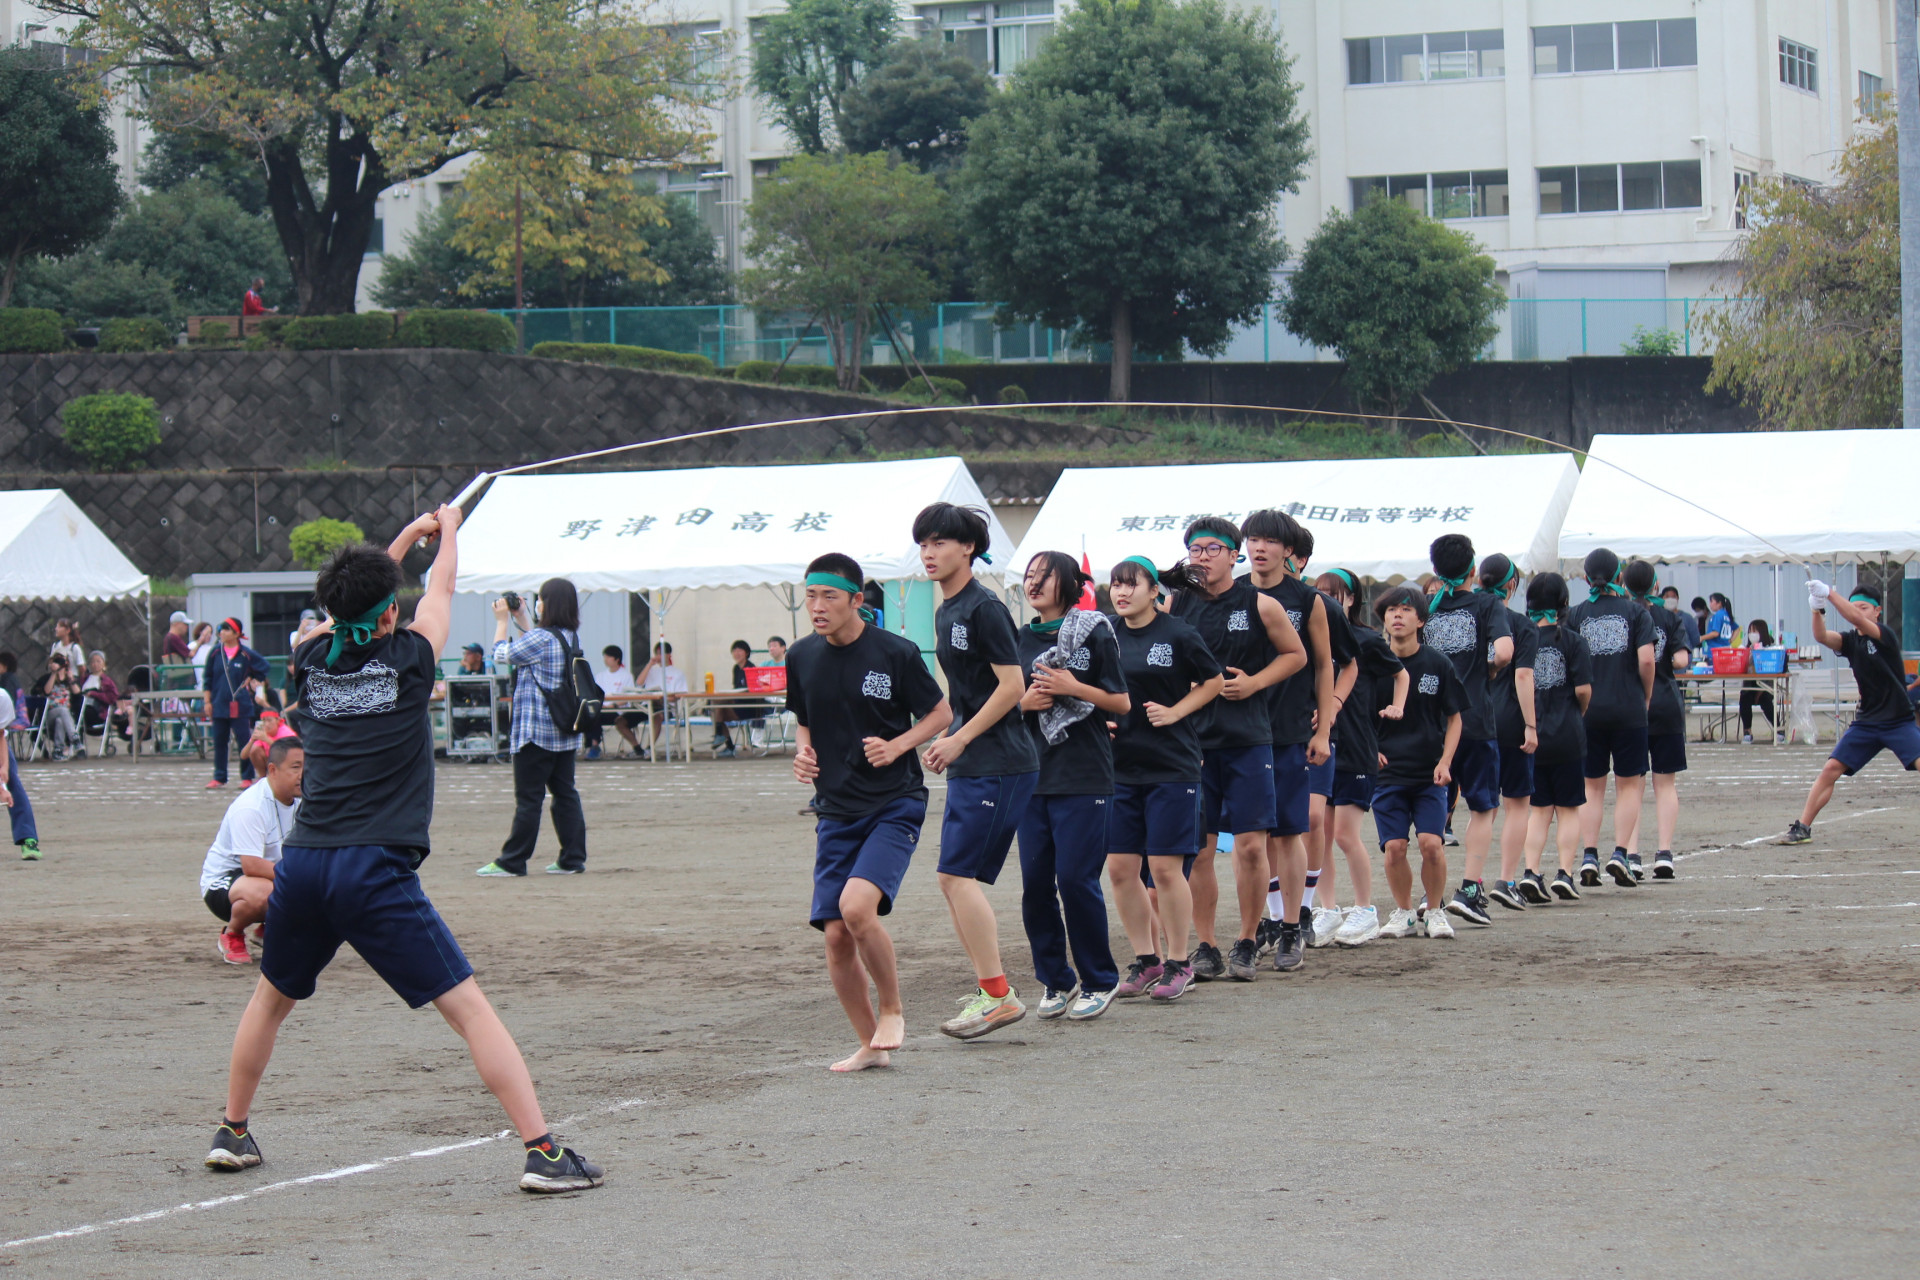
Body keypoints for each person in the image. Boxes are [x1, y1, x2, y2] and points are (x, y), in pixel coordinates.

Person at [208, 506, 604, 1194]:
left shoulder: (309, 657)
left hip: (303, 864)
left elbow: (351, 607)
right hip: (374, 869)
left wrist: (400, 546)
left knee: (270, 1001)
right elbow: (440, 590)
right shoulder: (411, 658)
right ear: (390, 614)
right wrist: (448, 530)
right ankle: (541, 1151)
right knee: (470, 1008)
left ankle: (231, 1132)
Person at [787, 553, 952, 1072]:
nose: (817, 606)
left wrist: (899, 745)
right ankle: (868, 1046)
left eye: (829, 596)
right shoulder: (800, 656)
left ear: (858, 600)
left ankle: (894, 1010)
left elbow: (941, 712)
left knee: (857, 910)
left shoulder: (895, 652)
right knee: (836, 934)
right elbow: (805, 717)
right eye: (810, 595)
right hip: (834, 809)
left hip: (893, 803)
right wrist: (803, 752)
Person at [915, 502, 1041, 1040]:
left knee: (956, 877)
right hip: (974, 760)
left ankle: (999, 997)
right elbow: (967, 690)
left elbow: (1013, 687)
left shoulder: (983, 607)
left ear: (968, 547)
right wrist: (948, 733)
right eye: (923, 543)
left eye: (940, 541)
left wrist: (962, 737)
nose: (929, 552)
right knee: (952, 879)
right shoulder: (945, 609)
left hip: (1001, 761)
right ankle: (991, 992)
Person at [1167, 516, 1306, 982]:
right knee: (1200, 850)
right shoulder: (1176, 605)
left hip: (1248, 738)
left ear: (1234, 555)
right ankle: (1205, 945)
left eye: (1212, 549)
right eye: (1195, 549)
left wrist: (1254, 684)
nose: (1202, 557)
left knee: (1250, 846)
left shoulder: (1261, 604)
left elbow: (1297, 656)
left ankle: (1248, 940)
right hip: (1193, 742)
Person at [1014, 551, 1131, 1021]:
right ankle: (1055, 980)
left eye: (1045, 576)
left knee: (1076, 881)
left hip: (1084, 775)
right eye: (1028, 576)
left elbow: (1120, 702)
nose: (1034, 583)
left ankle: (1100, 979)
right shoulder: (1018, 638)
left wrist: (1071, 687)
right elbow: (1003, 702)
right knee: (1035, 885)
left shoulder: (1094, 631)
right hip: (1031, 777)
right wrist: (1024, 701)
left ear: (1067, 583)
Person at [1102, 555, 1224, 1001]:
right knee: (1119, 868)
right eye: (1116, 584)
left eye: (1131, 584)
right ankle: (1146, 959)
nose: (1121, 592)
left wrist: (1176, 712)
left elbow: (1212, 682)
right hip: (1118, 768)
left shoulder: (1178, 634)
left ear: (1155, 591)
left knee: (1165, 869)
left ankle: (1178, 961)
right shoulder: (1105, 636)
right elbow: (1094, 688)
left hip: (1172, 766)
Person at [1240, 510, 1339, 970]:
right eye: (1253, 539)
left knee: (1288, 831)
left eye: (1269, 541)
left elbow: (1324, 664)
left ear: (1287, 550)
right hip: (1236, 733)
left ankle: (1292, 926)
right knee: (1248, 839)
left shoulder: (1307, 599)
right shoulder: (1231, 594)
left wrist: (1323, 729)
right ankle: (1254, 925)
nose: (1259, 548)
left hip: (1288, 731)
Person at [1421, 534, 1513, 927]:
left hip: (1429, 723)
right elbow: (1505, 651)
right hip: (1474, 720)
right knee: (1482, 807)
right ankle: (1470, 889)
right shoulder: (1487, 603)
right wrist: (1488, 670)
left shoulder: (1425, 607)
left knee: (1432, 809)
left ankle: (1431, 897)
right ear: (1472, 569)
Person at [1781, 583, 1920, 845]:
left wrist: (1831, 593)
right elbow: (1822, 636)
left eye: (1864, 607)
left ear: (1877, 612)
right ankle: (1802, 828)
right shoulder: (1851, 641)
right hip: (1867, 722)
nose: (1858, 612)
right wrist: (1816, 608)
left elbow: (1853, 617)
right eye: (1855, 606)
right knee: (1831, 768)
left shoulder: (1885, 635)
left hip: (1898, 721)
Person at [1313, 570, 1408, 947]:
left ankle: (1365, 910)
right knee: (1317, 833)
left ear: (1352, 599)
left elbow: (1401, 675)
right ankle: (1328, 910)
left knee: (1344, 834)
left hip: (1356, 748)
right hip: (1321, 746)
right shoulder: (1310, 638)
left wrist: (1397, 708)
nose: (1328, 601)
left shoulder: (1366, 640)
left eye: (1335, 595)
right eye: (1320, 594)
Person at [1369, 586, 1465, 940]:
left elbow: (1455, 718)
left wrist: (1446, 761)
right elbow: (1358, 714)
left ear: (1421, 620)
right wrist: (1369, 749)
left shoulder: (1438, 664)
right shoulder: (1374, 664)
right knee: (1394, 847)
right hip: (1387, 773)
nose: (1397, 615)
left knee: (1431, 844)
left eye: (1406, 610)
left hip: (1429, 774)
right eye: (1391, 609)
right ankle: (1405, 912)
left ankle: (1436, 911)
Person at [478, 578, 589, 877]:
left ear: (549, 603)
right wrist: (521, 617)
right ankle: (572, 859)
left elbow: (501, 654)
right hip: (563, 731)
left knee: (529, 799)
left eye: (540, 599)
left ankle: (512, 861)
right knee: (565, 794)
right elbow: (534, 641)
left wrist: (502, 622)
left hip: (535, 733)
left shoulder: (542, 639)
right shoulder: (569, 636)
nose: (537, 603)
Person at [1565, 548, 1657, 888]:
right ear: (1619, 576)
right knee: (1629, 784)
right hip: (1629, 707)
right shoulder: (1636, 612)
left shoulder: (1575, 615)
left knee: (1592, 785)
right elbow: (1647, 660)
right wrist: (1645, 695)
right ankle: (1620, 852)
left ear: (1586, 578)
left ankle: (1589, 854)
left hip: (1587, 711)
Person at [1515, 574, 1593, 903]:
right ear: (1563, 603)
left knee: (1539, 811)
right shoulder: (1573, 641)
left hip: (1532, 735)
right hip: (1567, 734)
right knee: (1569, 810)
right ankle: (1565, 873)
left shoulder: (1522, 638)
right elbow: (1583, 690)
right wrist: (1577, 712)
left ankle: (1531, 871)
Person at [201, 737, 303, 965]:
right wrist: (302, 880)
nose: (303, 774)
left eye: (307, 767)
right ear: (273, 770)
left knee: (327, 886)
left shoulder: (303, 802)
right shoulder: (251, 807)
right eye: (296, 768)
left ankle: (268, 932)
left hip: (271, 877)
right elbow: (251, 865)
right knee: (270, 892)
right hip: (226, 882)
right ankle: (233, 934)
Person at [1474, 554, 1538, 914]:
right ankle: (1506, 879)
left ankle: (1472, 881)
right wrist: (1531, 724)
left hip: (1471, 718)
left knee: (1483, 806)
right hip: (1511, 718)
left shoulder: (1466, 616)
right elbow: (1523, 675)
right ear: (1511, 586)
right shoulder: (1518, 623)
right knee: (1517, 803)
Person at [1627, 559, 1691, 880]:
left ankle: (1632, 855)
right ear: (1655, 585)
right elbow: (1681, 659)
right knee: (1665, 784)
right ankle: (1664, 853)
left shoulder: (1623, 614)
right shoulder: (1669, 617)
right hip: (1665, 704)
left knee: (1631, 785)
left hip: (1631, 706)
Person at [204, 618, 272, 790]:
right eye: (221, 629)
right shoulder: (214, 653)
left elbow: (264, 667)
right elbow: (208, 678)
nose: (222, 633)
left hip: (240, 704)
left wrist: (254, 679)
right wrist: (207, 701)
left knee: (244, 741)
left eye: (226, 630)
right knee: (220, 741)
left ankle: (247, 776)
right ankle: (219, 776)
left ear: (236, 633)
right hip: (219, 703)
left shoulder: (245, 654)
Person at [0, 679, 42, 860]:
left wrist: (4, 770)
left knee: (13, 783)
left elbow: (0, 735)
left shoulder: (2, 698)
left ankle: (28, 838)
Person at [584, 644, 641, 759]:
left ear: (616, 659)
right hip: (601, 709)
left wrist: (613, 705)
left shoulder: (626, 676)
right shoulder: (601, 676)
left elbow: (629, 696)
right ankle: (593, 746)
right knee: (589, 716)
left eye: (607, 657)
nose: (605, 659)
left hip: (617, 711)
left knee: (597, 716)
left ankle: (594, 746)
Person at [638, 641, 689, 757]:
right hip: (646, 705)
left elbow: (679, 695)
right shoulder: (651, 671)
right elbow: (639, 683)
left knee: (657, 717)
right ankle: (637, 748)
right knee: (622, 720)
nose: (658, 657)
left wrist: (664, 698)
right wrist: (649, 665)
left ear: (668, 655)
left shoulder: (677, 673)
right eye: (657, 654)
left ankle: (649, 747)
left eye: (661, 654)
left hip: (666, 707)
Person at [710, 639, 756, 759]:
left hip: (749, 707)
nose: (736, 653)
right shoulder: (736, 668)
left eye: (739, 650)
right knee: (716, 710)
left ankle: (723, 739)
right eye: (734, 651)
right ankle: (722, 738)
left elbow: (751, 690)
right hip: (737, 704)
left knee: (717, 707)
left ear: (746, 652)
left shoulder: (751, 668)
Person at [1738, 620, 1779, 744]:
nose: (1751, 634)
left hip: (1766, 685)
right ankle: (1747, 731)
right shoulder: (1747, 649)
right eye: (1749, 631)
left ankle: (1779, 730)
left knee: (1765, 700)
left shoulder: (1771, 648)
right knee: (1744, 698)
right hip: (1750, 685)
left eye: (1754, 631)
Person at [35, 653, 80, 760]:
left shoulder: (69, 680)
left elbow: (78, 693)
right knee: (62, 710)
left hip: (67, 718)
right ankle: (74, 738)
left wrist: (71, 678)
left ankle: (58, 750)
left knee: (60, 719)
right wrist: (54, 674)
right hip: (49, 714)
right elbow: (47, 691)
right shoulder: (47, 678)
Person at [1663, 586, 1701, 652]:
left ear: (1677, 599)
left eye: (1673, 597)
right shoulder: (1659, 617)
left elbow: (1696, 640)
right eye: (1667, 597)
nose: (1670, 599)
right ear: (1662, 598)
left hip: (1685, 657)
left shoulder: (1687, 617)